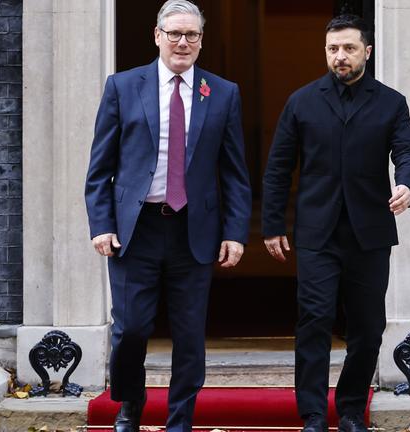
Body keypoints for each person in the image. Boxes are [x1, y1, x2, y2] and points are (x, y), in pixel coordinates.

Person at [84, 1, 251, 430]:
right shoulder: (122, 87)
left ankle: (181, 421)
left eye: (191, 35)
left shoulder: (223, 92)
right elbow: (100, 166)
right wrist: (101, 224)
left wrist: (235, 231)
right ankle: (130, 405)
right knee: (132, 329)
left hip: (193, 230)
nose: (182, 42)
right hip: (134, 231)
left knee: (190, 336)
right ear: (157, 35)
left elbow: (234, 172)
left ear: (201, 39)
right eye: (174, 33)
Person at [262, 14, 410, 432]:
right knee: (314, 319)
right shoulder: (302, 101)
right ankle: (314, 414)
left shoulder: (391, 101)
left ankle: (351, 410)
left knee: (368, 328)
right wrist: (272, 224)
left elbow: (408, 150)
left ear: (366, 52)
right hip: (317, 231)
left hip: (369, 232)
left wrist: (407, 184)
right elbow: (279, 167)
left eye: (349, 48)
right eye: (333, 49)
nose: (340, 56)